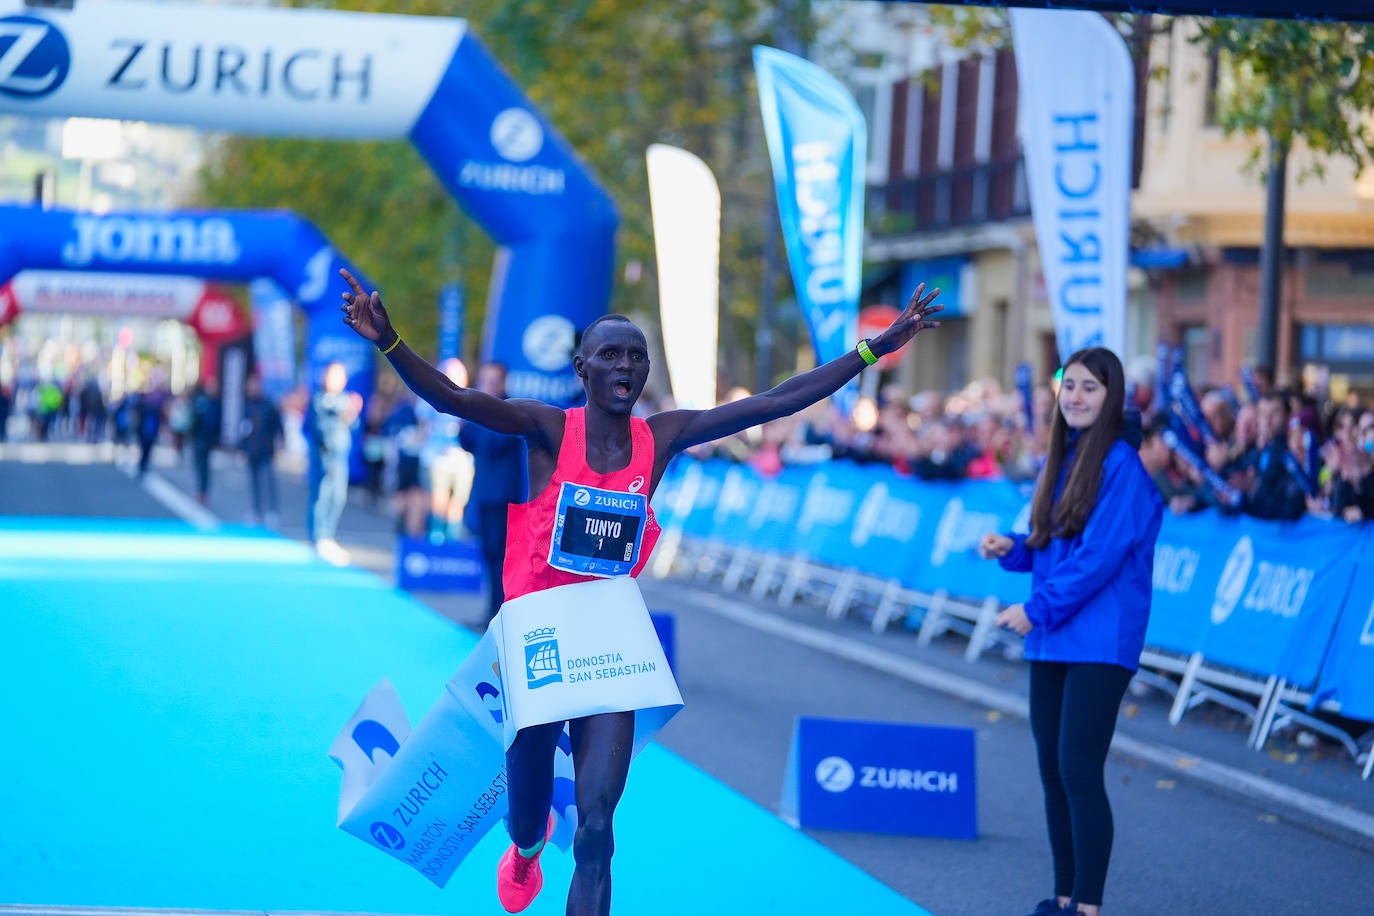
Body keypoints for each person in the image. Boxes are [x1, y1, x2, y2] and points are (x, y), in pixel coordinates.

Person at [338, 266, 941, 916]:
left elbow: (775, 402)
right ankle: (525, 849)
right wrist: (391, 343)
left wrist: (874, 349)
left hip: (608, 639)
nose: (627, 367)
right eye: (612, 356)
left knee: (598, 826)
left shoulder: (662, 439)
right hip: (537, 635)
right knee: (527, 808)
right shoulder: (547, 429)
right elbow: (456, 400)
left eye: (637, 357)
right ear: (583, 368)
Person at [977, 347, 1164, 916]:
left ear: (1112, 398)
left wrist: (1036, 610)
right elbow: (1052, 543)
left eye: (1091, 388)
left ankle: (1087, 906)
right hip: (1055, 634)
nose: (1077, 397)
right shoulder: (1064, 456)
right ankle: (1062, 899)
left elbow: (1100, 560)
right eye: (1071, 386)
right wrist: (1012, 551)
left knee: (1079, 771)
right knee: (1052, 772)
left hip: (1100, 641)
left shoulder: (1123, 466)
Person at [457, 362, 528, 623]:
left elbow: (494, 443)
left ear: (503, 382)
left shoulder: (511, 410)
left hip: (503, 495)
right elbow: (467, 441)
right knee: (489, 553)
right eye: (484, 379)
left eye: (492, 380)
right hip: (484, 491)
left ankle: (499, 614)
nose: (487, 385)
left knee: (500, 555)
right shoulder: (483, 411)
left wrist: (478, 415)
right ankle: (492, 610)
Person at [310, 361, 362, 565]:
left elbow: (353, 425)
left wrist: (352, 412)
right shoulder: (321, 398)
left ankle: (329, 536)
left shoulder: (344, 400)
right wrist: (346, 407)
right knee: (322, 496)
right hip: (325, 456)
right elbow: (320, 424)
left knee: (338, 497)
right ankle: (319, 537)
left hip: (341, 457)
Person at [239, 374, 284, 527]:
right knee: (254, 483)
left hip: (266, 450)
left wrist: (280, 445)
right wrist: (242, 448)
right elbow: (243, 429)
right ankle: (256, 511)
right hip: (251, 452)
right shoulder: (247, 406)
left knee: (268, 482)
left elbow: (278, 426)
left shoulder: (269, 405)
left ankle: (272, 511)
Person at [188, 376, 222, 506]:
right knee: (198, 464)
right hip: (198, 436)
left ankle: (203, 492)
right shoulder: (200, 399)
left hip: (207, 439)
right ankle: (200, 491)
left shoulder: (216, 403)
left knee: (204, 466)